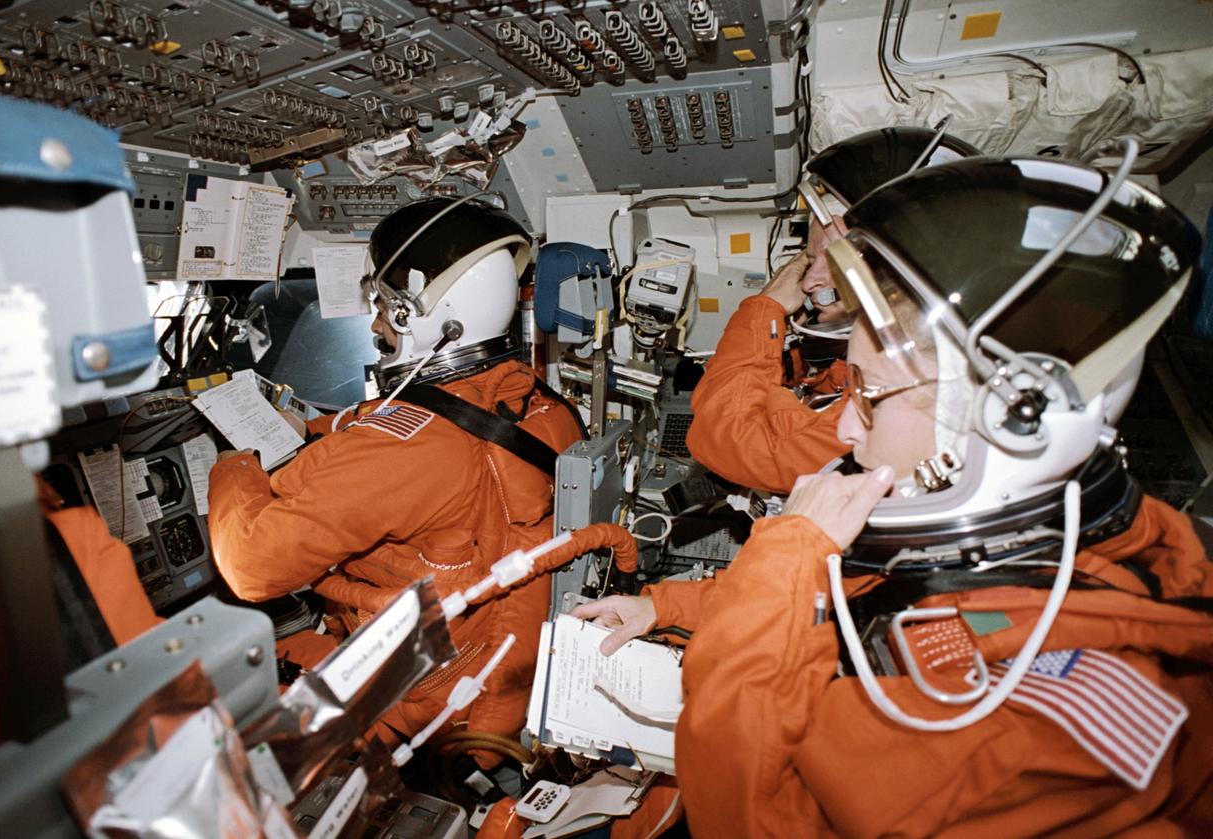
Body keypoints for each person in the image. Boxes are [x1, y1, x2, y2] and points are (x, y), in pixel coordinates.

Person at [577, 152, 1213, 835]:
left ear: (1004, 421)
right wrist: (662, 605)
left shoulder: (1003, 727)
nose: (847, 428)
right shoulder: (1059, 540)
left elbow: (738, 813)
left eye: (872, 398)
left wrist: (782, 557)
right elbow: (852, 591)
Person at [206, 197, 584, 752]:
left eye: (385, 307)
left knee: (235, 696)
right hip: (505, 665)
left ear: (413, 313)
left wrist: (233, 462)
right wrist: (315, 425)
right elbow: (430, 419)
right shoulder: (541, 404)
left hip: (428, 698)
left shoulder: (408, 451)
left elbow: (250, 567)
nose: (379, 325)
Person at [685, 126, 980, 494]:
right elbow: (825, 391)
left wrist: (766, 308)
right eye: (809, 260)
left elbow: (731, 443)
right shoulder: (922, 350)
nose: (809, 282)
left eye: (832, 261)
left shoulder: (912, 381)